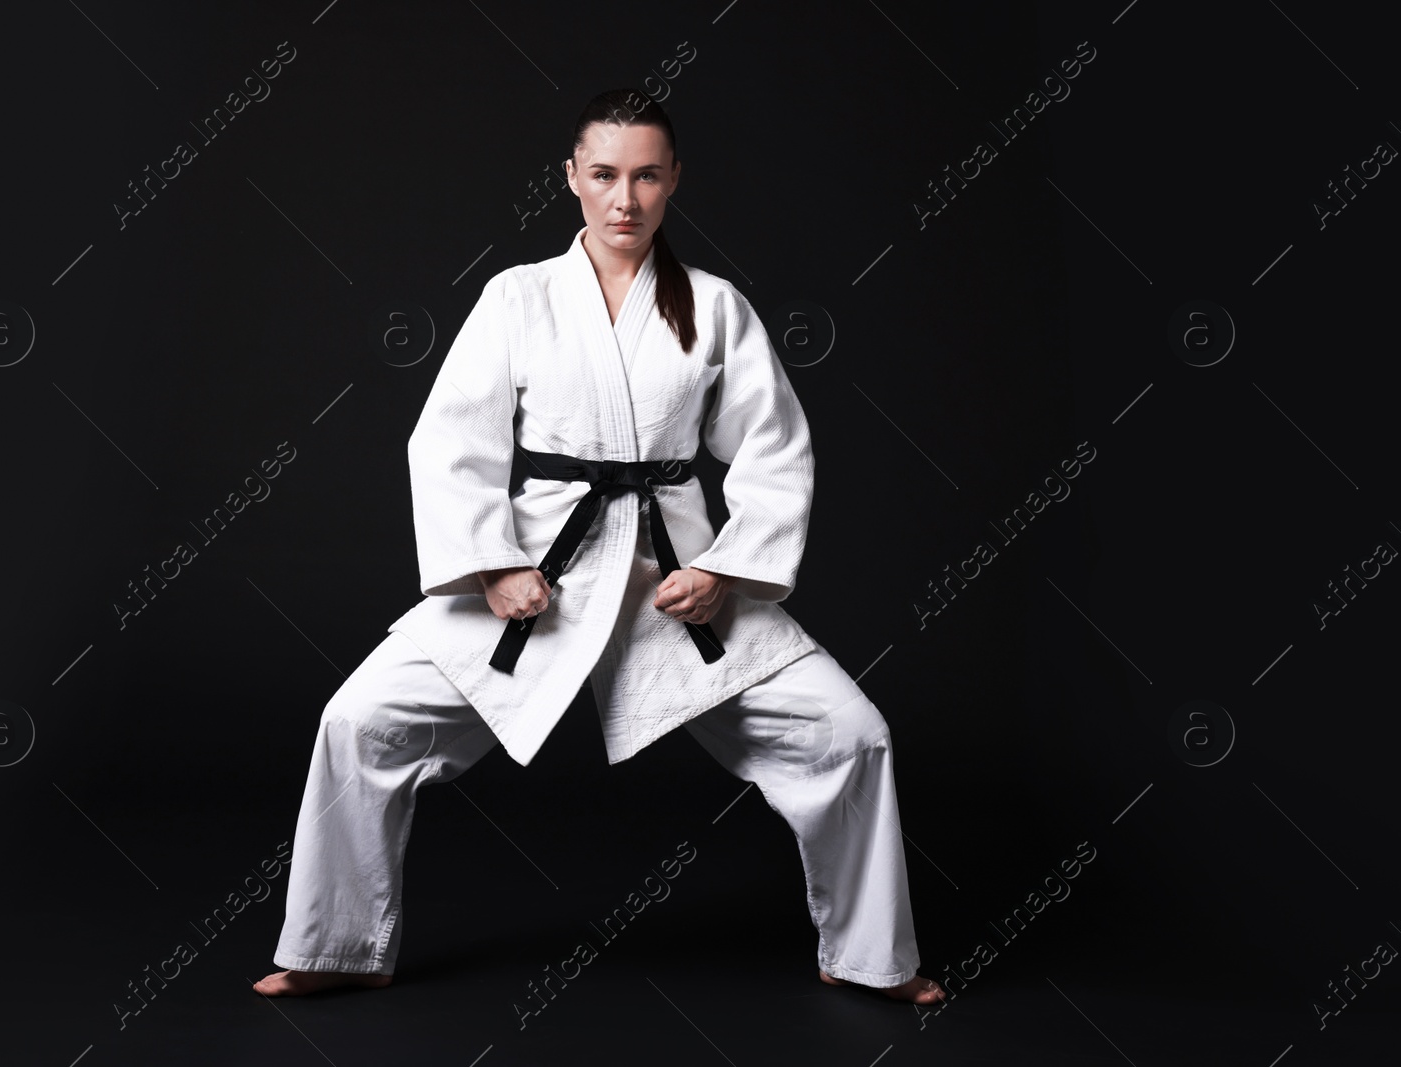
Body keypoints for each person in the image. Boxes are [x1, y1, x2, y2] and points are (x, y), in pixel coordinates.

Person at [254, 89, 945, 1007]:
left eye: (647, 175)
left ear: (673, 183)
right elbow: (451, 441)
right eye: (607, 175)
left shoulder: (714, 306)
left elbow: (776, 449)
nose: (626, 199)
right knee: (358, 722)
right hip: (540, 572)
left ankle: (867, 955)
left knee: (851, 735)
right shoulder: (519, 296)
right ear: (572, 179)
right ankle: (335, 946)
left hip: (673, 579)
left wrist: (726, 570)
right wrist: (493, 564)